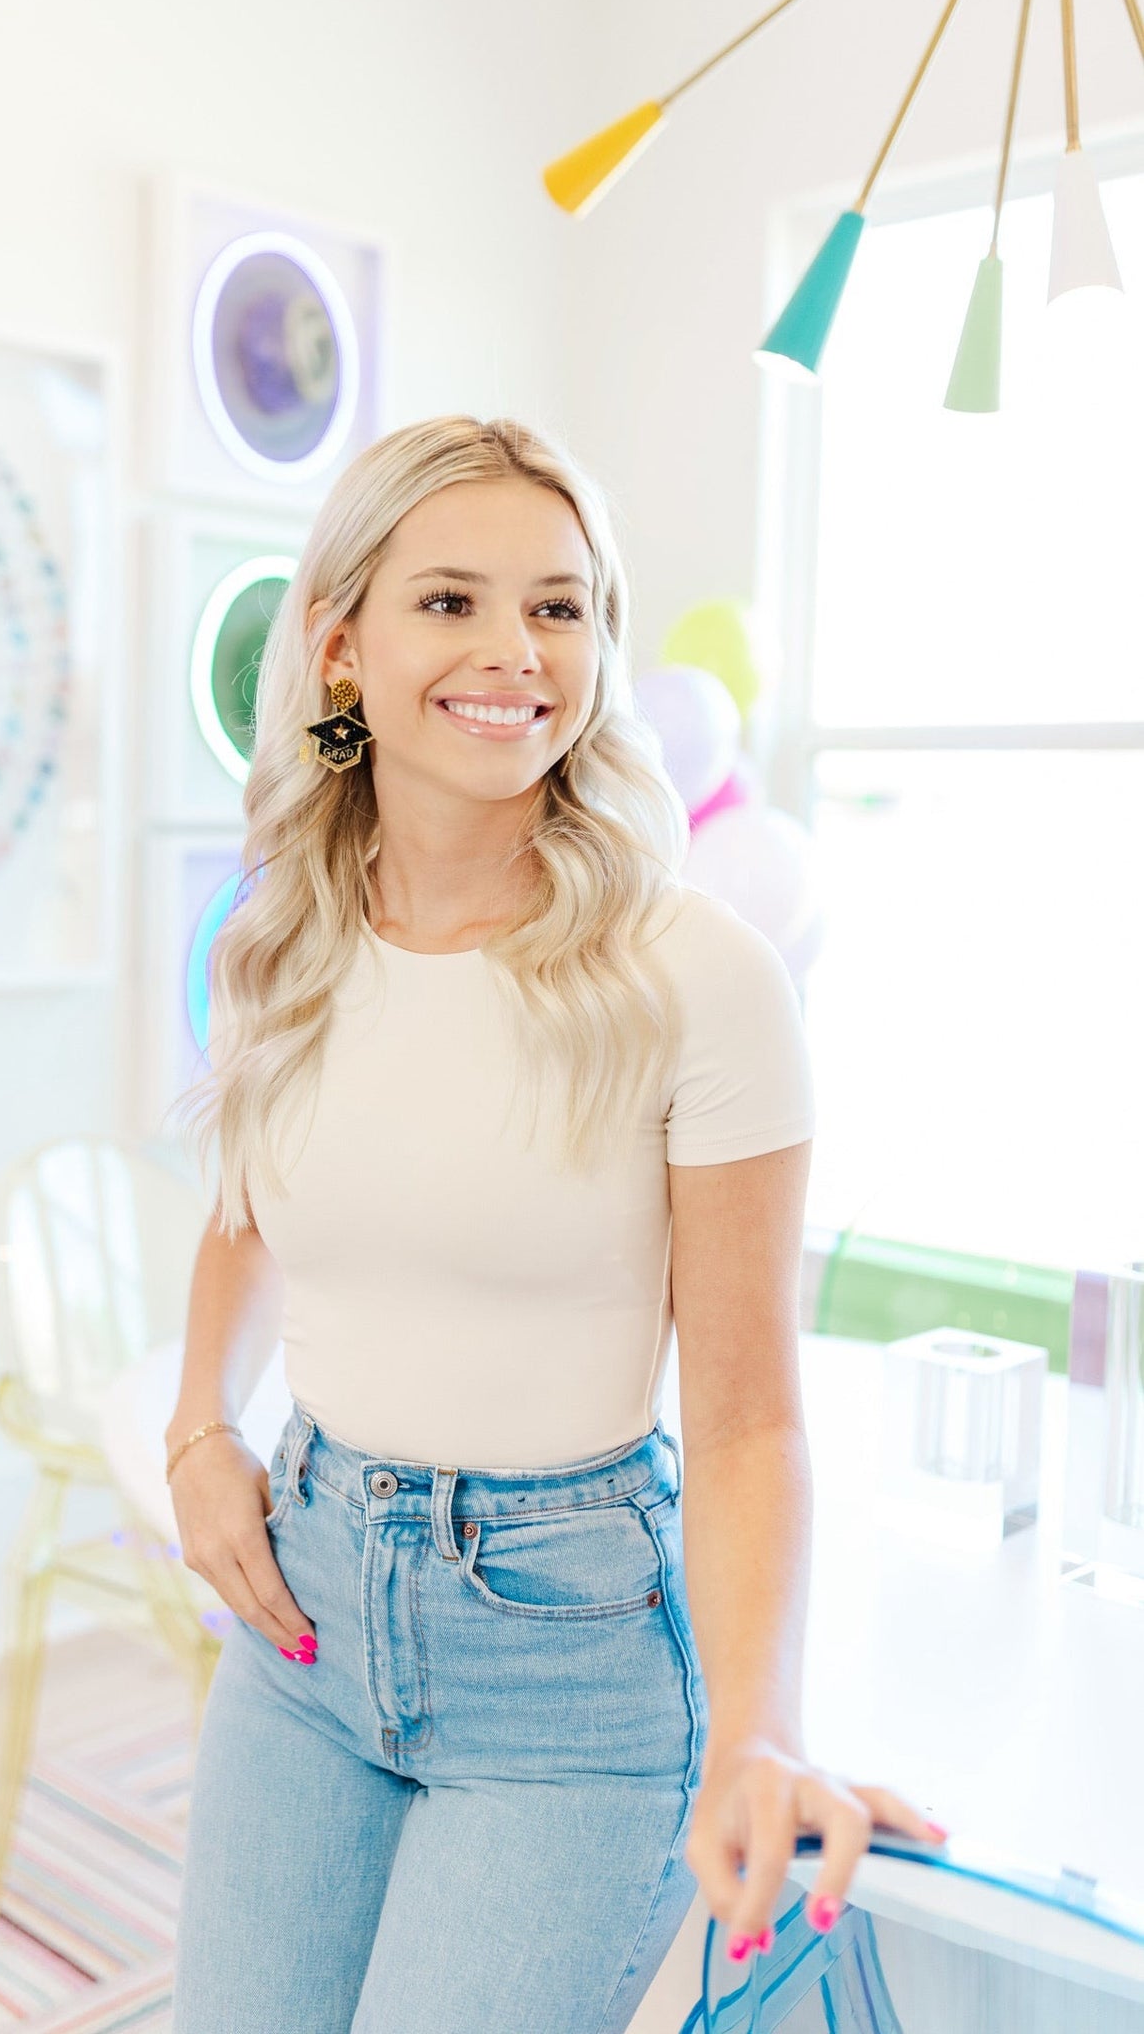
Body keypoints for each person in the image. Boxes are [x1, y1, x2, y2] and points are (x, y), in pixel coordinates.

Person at [164, 415, 944, 2032]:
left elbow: (741, 1420)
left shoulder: (697, 977)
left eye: (562, 605)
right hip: (306, 1621)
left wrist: (753, 1730)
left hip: (570, 1658)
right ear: (341, 642)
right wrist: (196, 1434)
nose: (515, 651)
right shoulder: (283, 936)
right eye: (449, 602)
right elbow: (254, 1208)